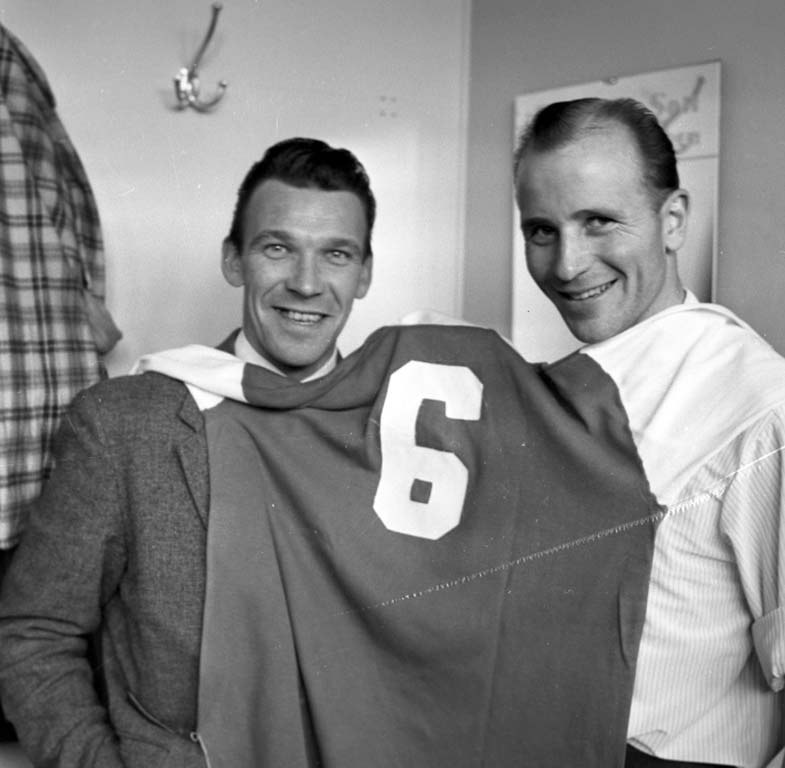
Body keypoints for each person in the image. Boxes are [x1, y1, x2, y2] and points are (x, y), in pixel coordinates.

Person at [0, 137, 664, 766]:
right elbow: (32, 631)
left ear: (366, 273)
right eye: (277, 249)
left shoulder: (416, 422)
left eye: (337, 255)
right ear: (233, 258)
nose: (307, 284)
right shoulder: (127, 423)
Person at [513, 97, 785, 768]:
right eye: (541, 231)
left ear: (672, 220)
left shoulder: (759, 406)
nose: (568, 264)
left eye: (598, 222)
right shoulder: (555, 389)